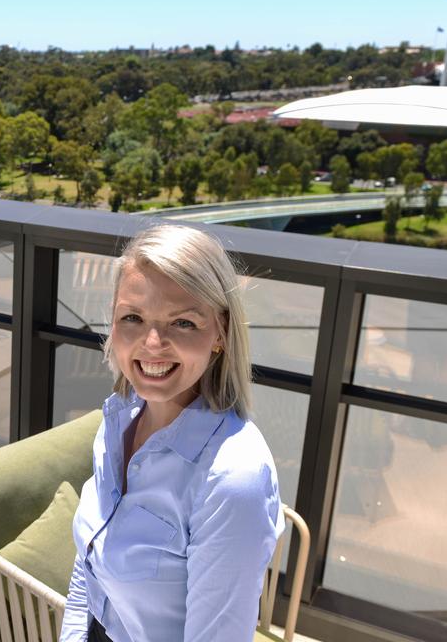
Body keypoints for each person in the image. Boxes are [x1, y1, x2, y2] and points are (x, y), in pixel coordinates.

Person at [60, 224, 282, 641]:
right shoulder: (119, 418)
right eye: (133, 318)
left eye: (182, 322)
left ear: (220, 332)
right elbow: (88, 564)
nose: (152, 343)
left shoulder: (231, 481)